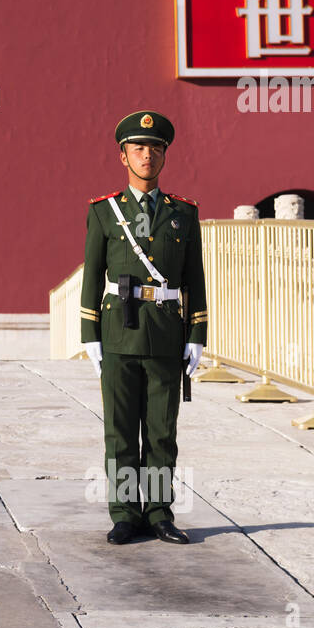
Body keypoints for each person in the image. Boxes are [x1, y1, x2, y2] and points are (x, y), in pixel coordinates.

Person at [79, 110, 207, 547]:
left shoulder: (183, 215)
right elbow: (92, 276)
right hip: (117, 332)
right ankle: (124, 514)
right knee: (119, 430)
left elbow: (195, 280)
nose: (147, 155)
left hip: (166, 334)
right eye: (138, 148)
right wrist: (89, 335)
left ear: (165, 155)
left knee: (160, 431)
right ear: (123, 156)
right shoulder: (103, 212)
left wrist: (197, 335)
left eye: (154, 148)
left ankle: (158, 512)